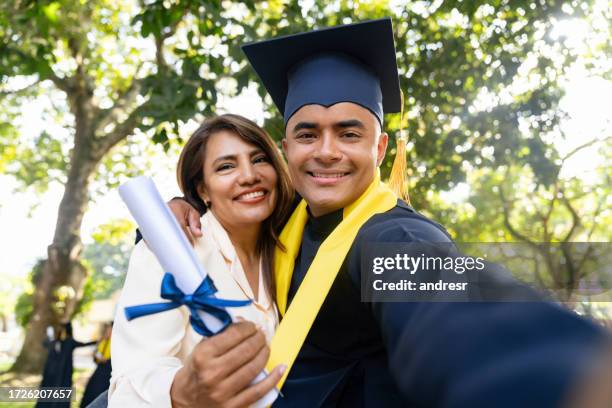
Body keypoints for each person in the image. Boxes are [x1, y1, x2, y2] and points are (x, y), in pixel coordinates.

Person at [168, 18, 611, 407]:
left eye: (348, 133)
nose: (326, 152)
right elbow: (227, 212)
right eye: (307, 135)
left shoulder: (392, 236)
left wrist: (565, 374)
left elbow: (442, 301)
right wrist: (184, 206)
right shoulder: (288, 220)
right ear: (287, 148)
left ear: (379, 148)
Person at [108, 114, 294, 407]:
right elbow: (130, 380)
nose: (248, 175)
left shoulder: (289, 245)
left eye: (259, 159)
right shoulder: (172, 251)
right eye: (226, 166)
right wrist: (182, 392)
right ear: (203, 190)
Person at [37, 322, 96, 408]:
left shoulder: (70, 342)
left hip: (64, 373)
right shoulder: (55, 341)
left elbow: (83, 344)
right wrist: (50, 338)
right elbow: (45, 344)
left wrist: (96, 341)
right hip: (52, 373)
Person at [80, 322, 113, 407]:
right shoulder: (103, 341)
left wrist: (105, 360)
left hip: (106, 374)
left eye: (109, 329)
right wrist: (95, 354)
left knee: (98, 392)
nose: (107, 331)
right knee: (91, 391)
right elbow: (96, 353)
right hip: (99, 370)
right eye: (107, 329)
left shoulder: (115, 343)